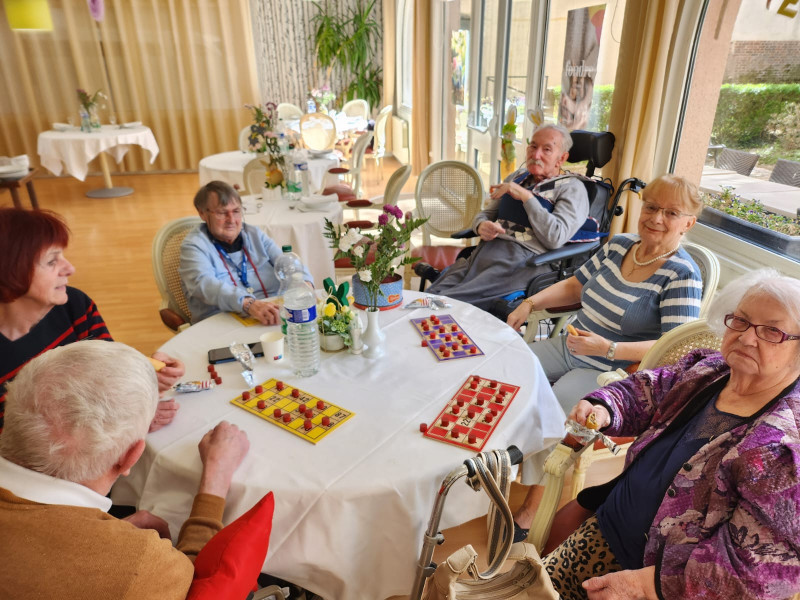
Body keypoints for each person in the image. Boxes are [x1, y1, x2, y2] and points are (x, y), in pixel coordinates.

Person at [538, 269, 800, 600]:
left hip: (666, 584)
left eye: (772, 332)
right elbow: (645, 389)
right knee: (533, 591)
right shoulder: (709, 370)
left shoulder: (784, 450)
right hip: (605, 529)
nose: (748, 338)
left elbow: (756, 572)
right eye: (742, 321)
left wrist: (650, 585)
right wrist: (605, 407)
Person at [507, 175, 703, 541]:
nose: (657, 218)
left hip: (610, 370)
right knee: (510, 369)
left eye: (671, 212)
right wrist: (530, 302)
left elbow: (679, 348)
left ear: (688, 223)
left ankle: (532, 510)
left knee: (554, 405)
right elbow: (576, 285)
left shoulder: (681, 275)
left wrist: (610, 349)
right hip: (570, 343)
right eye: (651, 207)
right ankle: (508, 456)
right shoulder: (621, 244)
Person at [0, 340, 250, 598]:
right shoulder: (138, 563)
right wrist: (216, 479)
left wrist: (113, 533)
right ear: (130, 457)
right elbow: (198, 585)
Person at [0, 207, 184, 434]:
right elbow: (16, 442)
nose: (70, 268)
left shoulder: (75, 306)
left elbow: (106, 373)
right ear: (10, 272)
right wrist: (125, 423)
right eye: (51, 262)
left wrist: (146, 372)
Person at [425, 123, 592, 311]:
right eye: (533, 146)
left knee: (446, 305)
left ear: (561, 158)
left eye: (546, 150)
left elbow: (555, 238)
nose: (536, 155)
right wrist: (481, 225)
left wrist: (526, 197)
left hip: (523, 263)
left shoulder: (572, 189)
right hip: (486, 252)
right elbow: (486, 214)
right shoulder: (518, 177)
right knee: (429, 297)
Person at [180, 180, 313, 324]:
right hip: (223, 324)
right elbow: (204, 284)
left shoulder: (254, 234)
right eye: (222, 213)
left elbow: (287, 262)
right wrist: (247, 303)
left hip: (273, 316)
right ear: (203, 214)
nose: (231, 220)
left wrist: (304, 282)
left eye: (236, 211)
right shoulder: (193, 246)